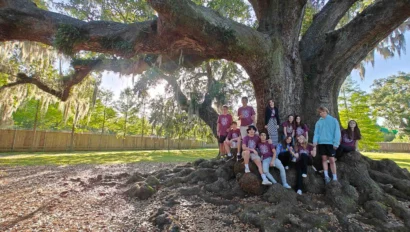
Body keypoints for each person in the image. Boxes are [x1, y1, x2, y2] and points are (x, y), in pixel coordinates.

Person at [313, 106, 341, 184]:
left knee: (332, 160)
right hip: (322, 143)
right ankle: (326, 176)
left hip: (330, 143)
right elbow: (316, 133)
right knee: (324, 159)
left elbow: (337, 132)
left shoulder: (333, 120)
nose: (322, 113)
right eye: (320, 112)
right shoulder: (318, 122)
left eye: (323, 111)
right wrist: (315, 141)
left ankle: (335, 177)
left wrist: (336, 143)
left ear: (326, 111)